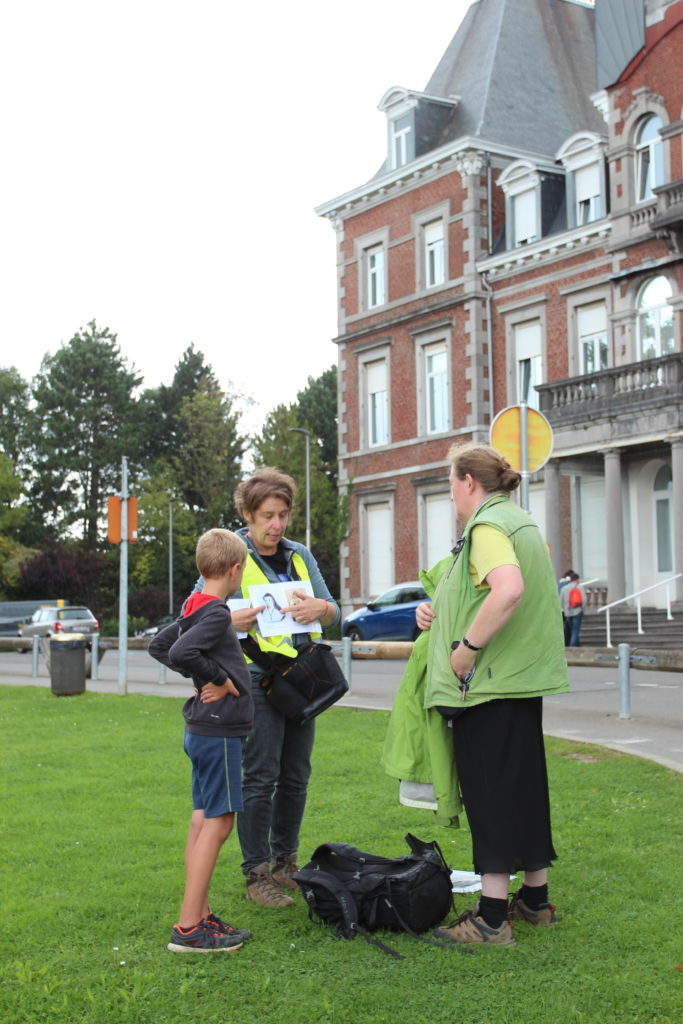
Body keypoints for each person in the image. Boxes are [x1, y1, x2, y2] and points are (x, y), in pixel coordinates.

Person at [419, 443, 570, 947]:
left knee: (490, 797)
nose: (450, 495)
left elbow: (508, 589)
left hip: (487, 684)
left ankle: (490, 918)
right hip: (519, 679)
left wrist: (466, 649)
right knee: (524, 790)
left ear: (468, 482)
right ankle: (534, 901)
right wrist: (436, 611)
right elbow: (484, 592)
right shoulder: (519, 520)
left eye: (450, 483)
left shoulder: (485, 527)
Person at [202, 467, 340, 907]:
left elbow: (333, 610)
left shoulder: (299, 554)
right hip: (255, 680)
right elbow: (195, 613)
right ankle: (256, 873)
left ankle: (286, 863)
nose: (277, 525)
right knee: (260, 777)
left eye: (283, 515)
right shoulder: (230, 553)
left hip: (300, 679)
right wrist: (228, 619)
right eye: (267, 516)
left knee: (296, 776)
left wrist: (321, 609)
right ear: (247, 514)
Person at [149, 529, 255, 953]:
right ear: (234, 570)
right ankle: (190, 927)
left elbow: (160, 645)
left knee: (202, 819)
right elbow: (178, 653)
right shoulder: (215, 612)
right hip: (218, 731)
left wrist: (200, 677)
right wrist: (220, 680)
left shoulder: (194, 605)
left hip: (202, 729)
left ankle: (201, 913)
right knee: (220, 822)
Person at [561, 571, 586, 647]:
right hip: (577, 611)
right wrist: (583, 609)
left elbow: (561, 601)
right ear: (577, 579)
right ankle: (573, 647)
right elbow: (584, 600)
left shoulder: (564, 588)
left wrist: (565, 609)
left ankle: (577, 645)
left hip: (568, 612)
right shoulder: (579, 587)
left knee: (572, 630)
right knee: (575, 631)